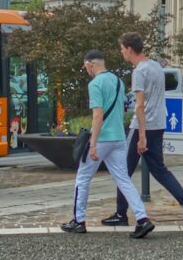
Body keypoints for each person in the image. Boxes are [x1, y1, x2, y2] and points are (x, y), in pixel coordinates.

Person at [101, 33, 183, 229]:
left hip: (142, 126)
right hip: (159, 124)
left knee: (122, 170)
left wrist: (141, 136)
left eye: (121, 49)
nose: (121, 53)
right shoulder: (155, 66)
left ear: (129, 48)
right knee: (159, 169)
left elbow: (139, 106)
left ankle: (121, 213)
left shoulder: (139, 72)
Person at [61, 50, 155, 238]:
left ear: (90, 64)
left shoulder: (95, 83)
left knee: (83, 178)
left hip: (102, 138)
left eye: (85, 66)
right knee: (123, 179)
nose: (86, 70)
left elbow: (98, 114)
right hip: (119, 137)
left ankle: (78, 221)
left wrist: (93, 143)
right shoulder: (118, 81)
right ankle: (142, 219)